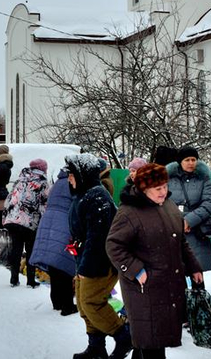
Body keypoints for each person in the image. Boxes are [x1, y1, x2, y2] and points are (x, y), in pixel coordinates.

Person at [106, 163, 204, 359]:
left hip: (167, 284)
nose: (163, 192)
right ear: (143, 189)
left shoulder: (168, 206)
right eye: (157, 188)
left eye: (165, 186)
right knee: (152, 341)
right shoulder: (129, 212)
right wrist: (137, 271)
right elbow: (113, 245)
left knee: (154, 339)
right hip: (144, 288)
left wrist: (194, 266)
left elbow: (180, 240)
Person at [66, 153, 130, 359]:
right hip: (85, 260)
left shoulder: (97, 197)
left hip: (100, 263)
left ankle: (124, 336)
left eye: (72, 174)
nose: (69, 178)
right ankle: (96, 346)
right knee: (84, 305)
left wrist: (85, 268)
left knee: (92, 302)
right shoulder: (83, 194)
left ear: (82, 175)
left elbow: (97, 238)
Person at [29, 168, 78, 315]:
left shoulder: (58, 182)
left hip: (49, 221)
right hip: (63, 223)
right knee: (64, 262)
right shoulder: (72, 183)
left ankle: (56, 301)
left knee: (55, 264)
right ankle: (67, 305)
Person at [166, 146, 211, 272]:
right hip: (172, 227)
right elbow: (162, 200)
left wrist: (189, 220)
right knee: (175, 272)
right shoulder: (168, 178)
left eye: (193, 159)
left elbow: (208, 203)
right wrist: (177, 220)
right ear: (180, 161)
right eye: (187, 160)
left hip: (196, 230)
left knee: (196, 271)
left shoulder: (204, 178)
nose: (191, 163)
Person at [2, 159, 49, 287]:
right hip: (30, 222)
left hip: (13, 220)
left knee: (16, 249)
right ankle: (30, 280)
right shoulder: (42, 183)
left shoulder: (20, 180)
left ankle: (14, 279)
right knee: (31, 251)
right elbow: (44, 205)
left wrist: (6, 218)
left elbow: (9, 200)